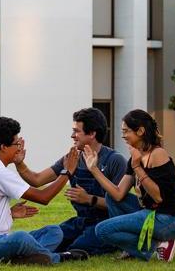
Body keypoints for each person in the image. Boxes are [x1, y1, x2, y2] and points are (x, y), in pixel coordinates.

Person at [0, 116, 90, 265]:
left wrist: (8, 214)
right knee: (21, 238)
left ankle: (25, 259)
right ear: (3, 147)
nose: (19, 148)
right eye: (16, 143)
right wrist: (67, 172)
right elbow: (43, 197)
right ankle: (58, 258)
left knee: (54, 231)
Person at [15, 108, 126, 256]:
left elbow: (120, 204)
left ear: (92, 133)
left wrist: (89, 199)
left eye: (76, 131)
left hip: (106, 224)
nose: (72, 135)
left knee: (77, 247)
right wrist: (19, 163)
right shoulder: (72, 157)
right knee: (54, 238)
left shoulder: (115, 160)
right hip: (81, 221)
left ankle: (114, 243)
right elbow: (37, 180)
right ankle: (21, 253)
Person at [85, 110, 175, 262]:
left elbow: (158, 197)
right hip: (151, 213)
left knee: (102, 230)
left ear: (140, 131)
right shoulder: (135, 157)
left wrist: (137, 167)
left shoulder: (158, 154)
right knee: (111, 199)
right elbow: (118, 194)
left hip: (171, 218)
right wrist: (94, 170)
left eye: (126, 131)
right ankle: (154, 244)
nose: (123, 136)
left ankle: (153, 247)